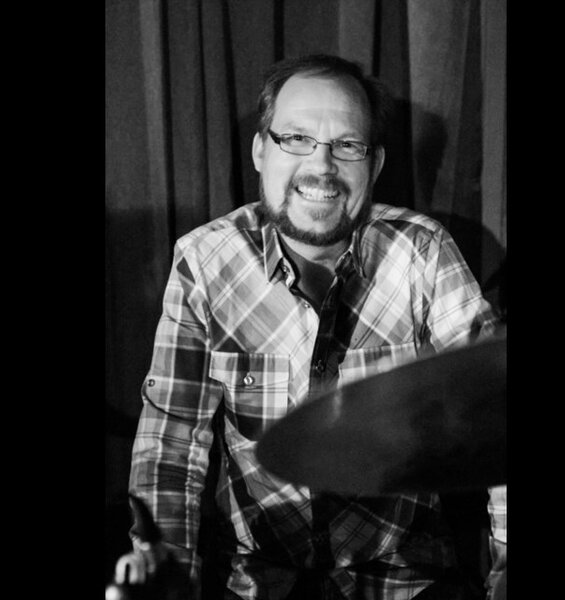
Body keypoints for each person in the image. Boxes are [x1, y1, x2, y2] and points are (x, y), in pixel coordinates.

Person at [124, 54, 506, 600]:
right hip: (257, 579)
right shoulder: (205, 260)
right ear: (261, 150)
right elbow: (171, 444)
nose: (322, 165)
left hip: (402, 575)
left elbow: (497, 411)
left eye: (347, 145)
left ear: (374, 163)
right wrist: (167, 576)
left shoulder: (422, 250)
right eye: (297, 138)